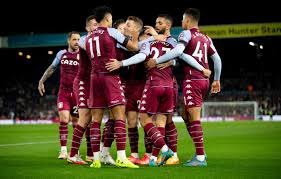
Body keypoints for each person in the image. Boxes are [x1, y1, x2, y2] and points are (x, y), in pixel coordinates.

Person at [146, 8, 222, 166]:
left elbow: (179, 51)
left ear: (187, 20)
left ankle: (200, 157)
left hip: (193, 79)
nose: (181, 23)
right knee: (185, 114)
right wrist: (216, 79)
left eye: (182, 20)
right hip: (204, 81)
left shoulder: (185, 34)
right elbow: (217, 59)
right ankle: (200, 151)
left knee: (194, 117)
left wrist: (158, 60)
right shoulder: (207, 38)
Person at [82, 6, 139, 169]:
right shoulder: (111, 32)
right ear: (107, 18)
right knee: (119, 116)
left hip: (94, 78)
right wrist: (134, 34)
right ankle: (121, 157)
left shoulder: (89, 37)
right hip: (109, 77)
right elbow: (134, 47)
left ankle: (96, 160)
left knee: (96, 120)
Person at [38, 31, 81, 159]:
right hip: (63, 92)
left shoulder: (83, 55)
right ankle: (63, 150)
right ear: (69, 41)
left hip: (77, 94)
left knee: (76, 122)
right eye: (74, 39)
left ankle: (75, 150)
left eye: (78, 39)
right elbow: (52, 68)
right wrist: (41, 80)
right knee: (63, 119)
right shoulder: (62, 54)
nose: (77, 42)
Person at [67, 15, 98, 165]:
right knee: (84, 118)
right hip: (82, 83)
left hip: (93, 83)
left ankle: (91, 155)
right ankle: (73, 154)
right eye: (93, 25)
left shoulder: (97, 39)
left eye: (98, 24)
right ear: (87, 28)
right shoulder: (85, 40)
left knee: (91, 120)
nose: (96, 27)